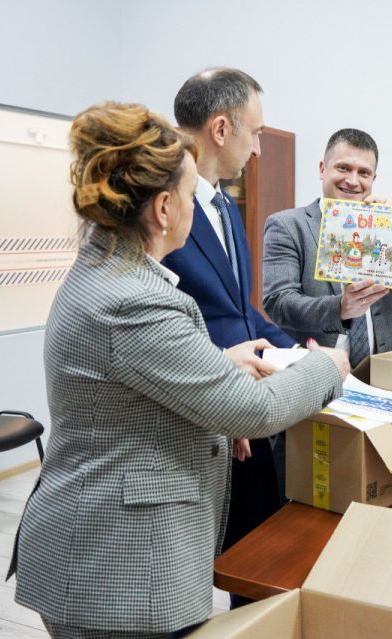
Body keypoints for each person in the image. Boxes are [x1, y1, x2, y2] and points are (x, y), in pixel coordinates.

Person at [10, 102, 348, 637]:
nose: (197, 209)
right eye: (192, 197)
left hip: (115, 547)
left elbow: (129, 376)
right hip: (118, 569)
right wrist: (329, 363)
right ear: (165, 208)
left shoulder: (107, 267)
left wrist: (215, 365)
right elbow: (256, 410)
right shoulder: (132, 300)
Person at [165, 68, 297, 560]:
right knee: (214, 557)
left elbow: (241, 312)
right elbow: (166, 325)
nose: (259, 148)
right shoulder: (165, 215)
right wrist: (222, 397)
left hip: (246, 402)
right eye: (256, 132)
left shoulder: (224, 206)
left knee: (258, 544)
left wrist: (301, 354)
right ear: (221, 130)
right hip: (203, 413)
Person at [263, 128, 392, 368]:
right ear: (322, 169)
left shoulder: (382, 226)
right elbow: (279, 303)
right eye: (343, 168)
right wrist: (341, 308)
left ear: (373, 180)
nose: (353, 180)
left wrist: (391, 229)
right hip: (315, 374)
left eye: (364, 172)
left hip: (379, 373)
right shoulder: (286, 225)